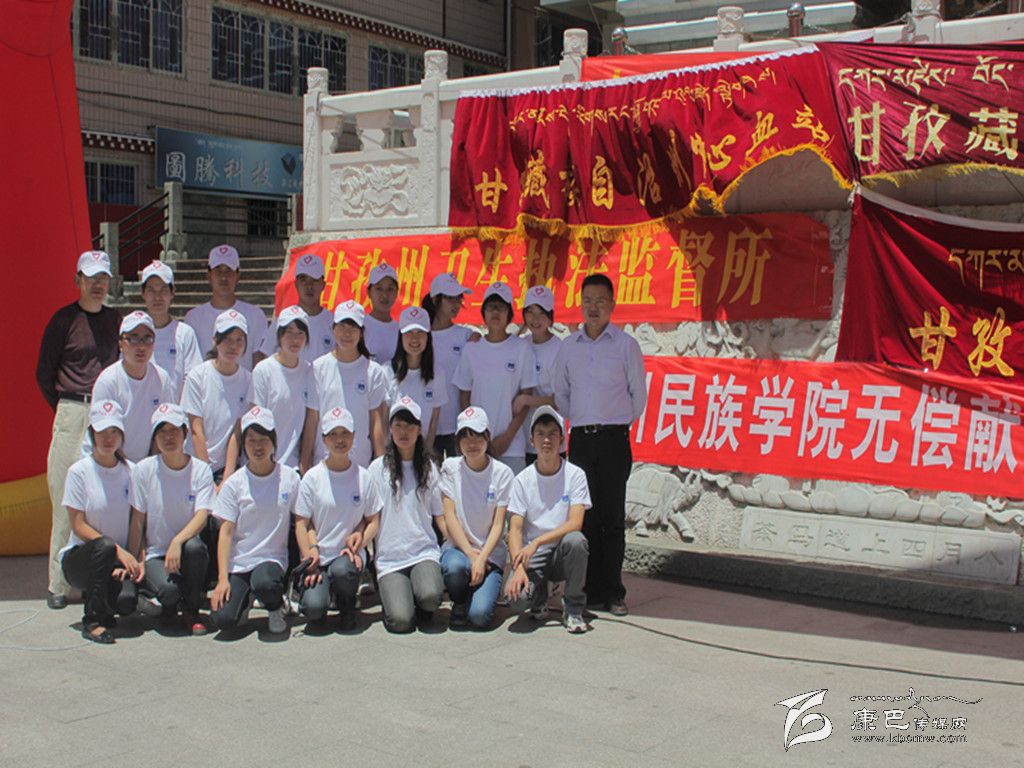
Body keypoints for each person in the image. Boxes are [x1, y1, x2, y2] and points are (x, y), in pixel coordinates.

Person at [551, 273, 647, 617]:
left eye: (600, 301)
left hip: (613, 440)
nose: (593, 308)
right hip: (580, 440)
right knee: (584, 516)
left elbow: (638, 396)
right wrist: (583, 418)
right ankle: (586, 589)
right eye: (587, 301)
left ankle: (613, 591)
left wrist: (613, 421)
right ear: (580, 304)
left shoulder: (625, 345)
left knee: (612, 517)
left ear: (612, 305)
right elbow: (561, 393)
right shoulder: (568, 347)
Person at [36, 249, 122, 610]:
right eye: (91, 278)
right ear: (78, 281)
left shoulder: (116, 320)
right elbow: (44, 373)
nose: (97, 284)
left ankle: (98, 582)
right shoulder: (63, 321)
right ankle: (58, 583)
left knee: (104, 501)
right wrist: (67, 409)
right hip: (72, 411)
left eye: (103, 278)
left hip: (106, 415)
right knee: (64, 499)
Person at [210, 407, 300, 635]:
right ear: (243, 444)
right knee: (223, 619)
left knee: (265, 583)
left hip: (271, 560)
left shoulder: (289, 478)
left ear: (273, 442)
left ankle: (275, 606)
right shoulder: (234, 483)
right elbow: (225, 533)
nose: (257, 446)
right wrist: (222, 579)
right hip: (240, 562)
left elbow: (301, 521)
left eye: (263, 440)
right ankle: (246, 600)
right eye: (251, 440)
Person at [59, 400, 142, 644]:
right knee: (104, 545)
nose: (108, 438)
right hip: (81, 559)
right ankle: (92, 621)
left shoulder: (132, 471)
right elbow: (78, 526)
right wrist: (117, 551)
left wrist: (131, 558)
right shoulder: (79, 472)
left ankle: (107, 604)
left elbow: (137, 521)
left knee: (126, 603)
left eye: (114, 431)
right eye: (102, 431)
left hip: (116, 558)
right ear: (91, 434)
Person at [128, 403, 215, 635]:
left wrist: (177, 541)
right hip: (156, 553)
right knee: (169, 591)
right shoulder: (143, 470)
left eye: (174, 430)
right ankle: (168, 604)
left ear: (185, 433)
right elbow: (138, 519)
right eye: (162, 432)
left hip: (186, 549)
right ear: (154, 438)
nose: (168, 437)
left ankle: (191, 610)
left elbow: (202, 516)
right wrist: (136, 558)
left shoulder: (200, 470)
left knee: (196, 547)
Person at [294, 407, 381, 630]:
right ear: (324, 439)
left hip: (347, 555)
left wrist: (360, 541)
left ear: (354, 436)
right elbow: (302, 523)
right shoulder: (312, 478)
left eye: (345, 433)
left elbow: (373, 520)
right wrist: (309, 556)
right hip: (319, 555)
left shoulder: (363, 477)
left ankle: (347, 605)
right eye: (333, 434)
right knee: (314, 609)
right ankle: (322, 594)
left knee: (344, 571)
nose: (339, 440)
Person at [505, 406, 591, 634]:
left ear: (562, 440)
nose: (546, 440)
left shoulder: (575, 475)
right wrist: (518, 566)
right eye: (540, 434)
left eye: (552, 434)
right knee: (515, 599)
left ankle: (573, 609)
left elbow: (575, 523)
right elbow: (515, 529)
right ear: (531, 440)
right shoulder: (522, 480)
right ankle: (540, 594)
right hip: (533, 556)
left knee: (577, 541)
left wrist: (537, 541)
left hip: (562, 551)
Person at [368, 397, 445, 633]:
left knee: (431, 596)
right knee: (401, 622)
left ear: (419, 429)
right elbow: (371, 518)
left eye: (410, 426)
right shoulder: (377, 469)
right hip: (390, 559)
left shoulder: (430, 468)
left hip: (423, 553)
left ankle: (419, 600)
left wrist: (462, 544)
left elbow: (440, 516)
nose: (404, 432)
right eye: (398, 425)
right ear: (390, 428)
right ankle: (397, 600)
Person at [439, 406, 514, 629]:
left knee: (480, 617)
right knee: (455, 568)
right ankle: (460, 600)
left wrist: (482, 559)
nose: (472, 444)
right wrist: (471, 554)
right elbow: (450, 516)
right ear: (458, 440)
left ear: (488, 437)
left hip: (490, 554)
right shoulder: (450, 467)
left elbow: (499, 524)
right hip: (459, 550)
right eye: (465, 437)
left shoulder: (502, 473)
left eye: (478, 437)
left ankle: (481, 591)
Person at [453, 282, 537, 474]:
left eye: (501, 307)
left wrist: (507, 437)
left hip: (511, 446)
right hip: (476, 446)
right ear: (484, 313)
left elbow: (526, 396)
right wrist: (474, 436)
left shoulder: (521, 348)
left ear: (509, 313)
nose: (496, 312)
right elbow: (464, 396)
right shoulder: (472, 349)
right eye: (491, 307)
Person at [87, 311, 174, 462]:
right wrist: (125, 468)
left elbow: (164, 426)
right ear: (121, 344)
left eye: (147, 339)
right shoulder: (108, 381)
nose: (141, 346)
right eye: (134, 338)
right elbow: (101, 434)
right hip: (112, 462)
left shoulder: (162, 378)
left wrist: (149, 465)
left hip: (149, 462)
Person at [310, 299, 388, 468]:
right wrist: (304, 460)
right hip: (323, 461)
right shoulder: (318, 367)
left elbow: (376, 421)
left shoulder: (373, 371)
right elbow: (312, 418)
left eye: (353, 328)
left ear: (361, 332)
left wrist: (380, 463)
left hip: (360, 462)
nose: (347, 333)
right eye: (342, 327)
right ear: (333, 329)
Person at [179, 310, 253, 483]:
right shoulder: (197, 376)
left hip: (227, 469)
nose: (233, 346)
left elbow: (237, 432)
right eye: (227, 339)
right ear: (215, 340)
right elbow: (196, 430)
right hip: (196, 467)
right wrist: (207, 478)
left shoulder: (248, 380)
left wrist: (227, 476)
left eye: (239, 340)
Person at [252, 305, 317, 473]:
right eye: (289, 332)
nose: (295, 339)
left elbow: (311, 419)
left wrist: (305, 460)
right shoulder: (263, 370)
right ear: (279, 336)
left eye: (300, 333)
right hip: (264, 463)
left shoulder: (309, 371)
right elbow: (256, 419)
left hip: (293, 466)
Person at [184, 244, 269, 370]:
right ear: (209, 275)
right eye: (218, 270)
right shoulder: (193, 318)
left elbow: (259, 365)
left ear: (238, 275)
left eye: (229, 270)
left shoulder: (256, 315)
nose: (223, 277)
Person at [422, 272, 475, 458]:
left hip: (457, 425)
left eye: (459, 298)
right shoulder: (420, 336)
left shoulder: (466, 336)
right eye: (450, 298)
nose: (456, 304)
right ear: (435, 299)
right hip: (427, 425)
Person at [385, 306, 448, 452]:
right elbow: (383, 421)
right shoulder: (386, 371)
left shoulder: (437, 373)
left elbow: (433, 421)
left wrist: (426, 454)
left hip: (422, 454)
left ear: (428, 337)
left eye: (420, 332)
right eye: (409, 333)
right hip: (393, 454)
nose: (415, 339)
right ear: (401, 336)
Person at [138, 260, 202, 398]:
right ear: (143, 293)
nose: (157, 297)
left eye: (163, 290)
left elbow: (192, 379)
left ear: (173, 292)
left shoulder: (185, 333)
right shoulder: (133, 333)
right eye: (151, 290)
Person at [515, 286, 563, 465]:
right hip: (522, 439)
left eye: (541, 313)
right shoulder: (521, 344)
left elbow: (560, 398)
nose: (535, 319)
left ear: (550, 317)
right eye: (530, 312)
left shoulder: (558, 349)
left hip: (550, 439)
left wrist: (526, 400)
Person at [260, 253, 334, 364]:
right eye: (303, 280)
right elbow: (265, 355)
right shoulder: (283, 320)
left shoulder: (333, 322)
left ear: (323, 285)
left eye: (314, 280)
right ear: (296, 284)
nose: (309, 286)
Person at [363, 262, 400, 365]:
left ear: (396, 293)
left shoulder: (402, 331)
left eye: (390, 289)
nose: (384, 295)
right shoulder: (359, 327)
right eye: (379, 289)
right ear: (369, 292)